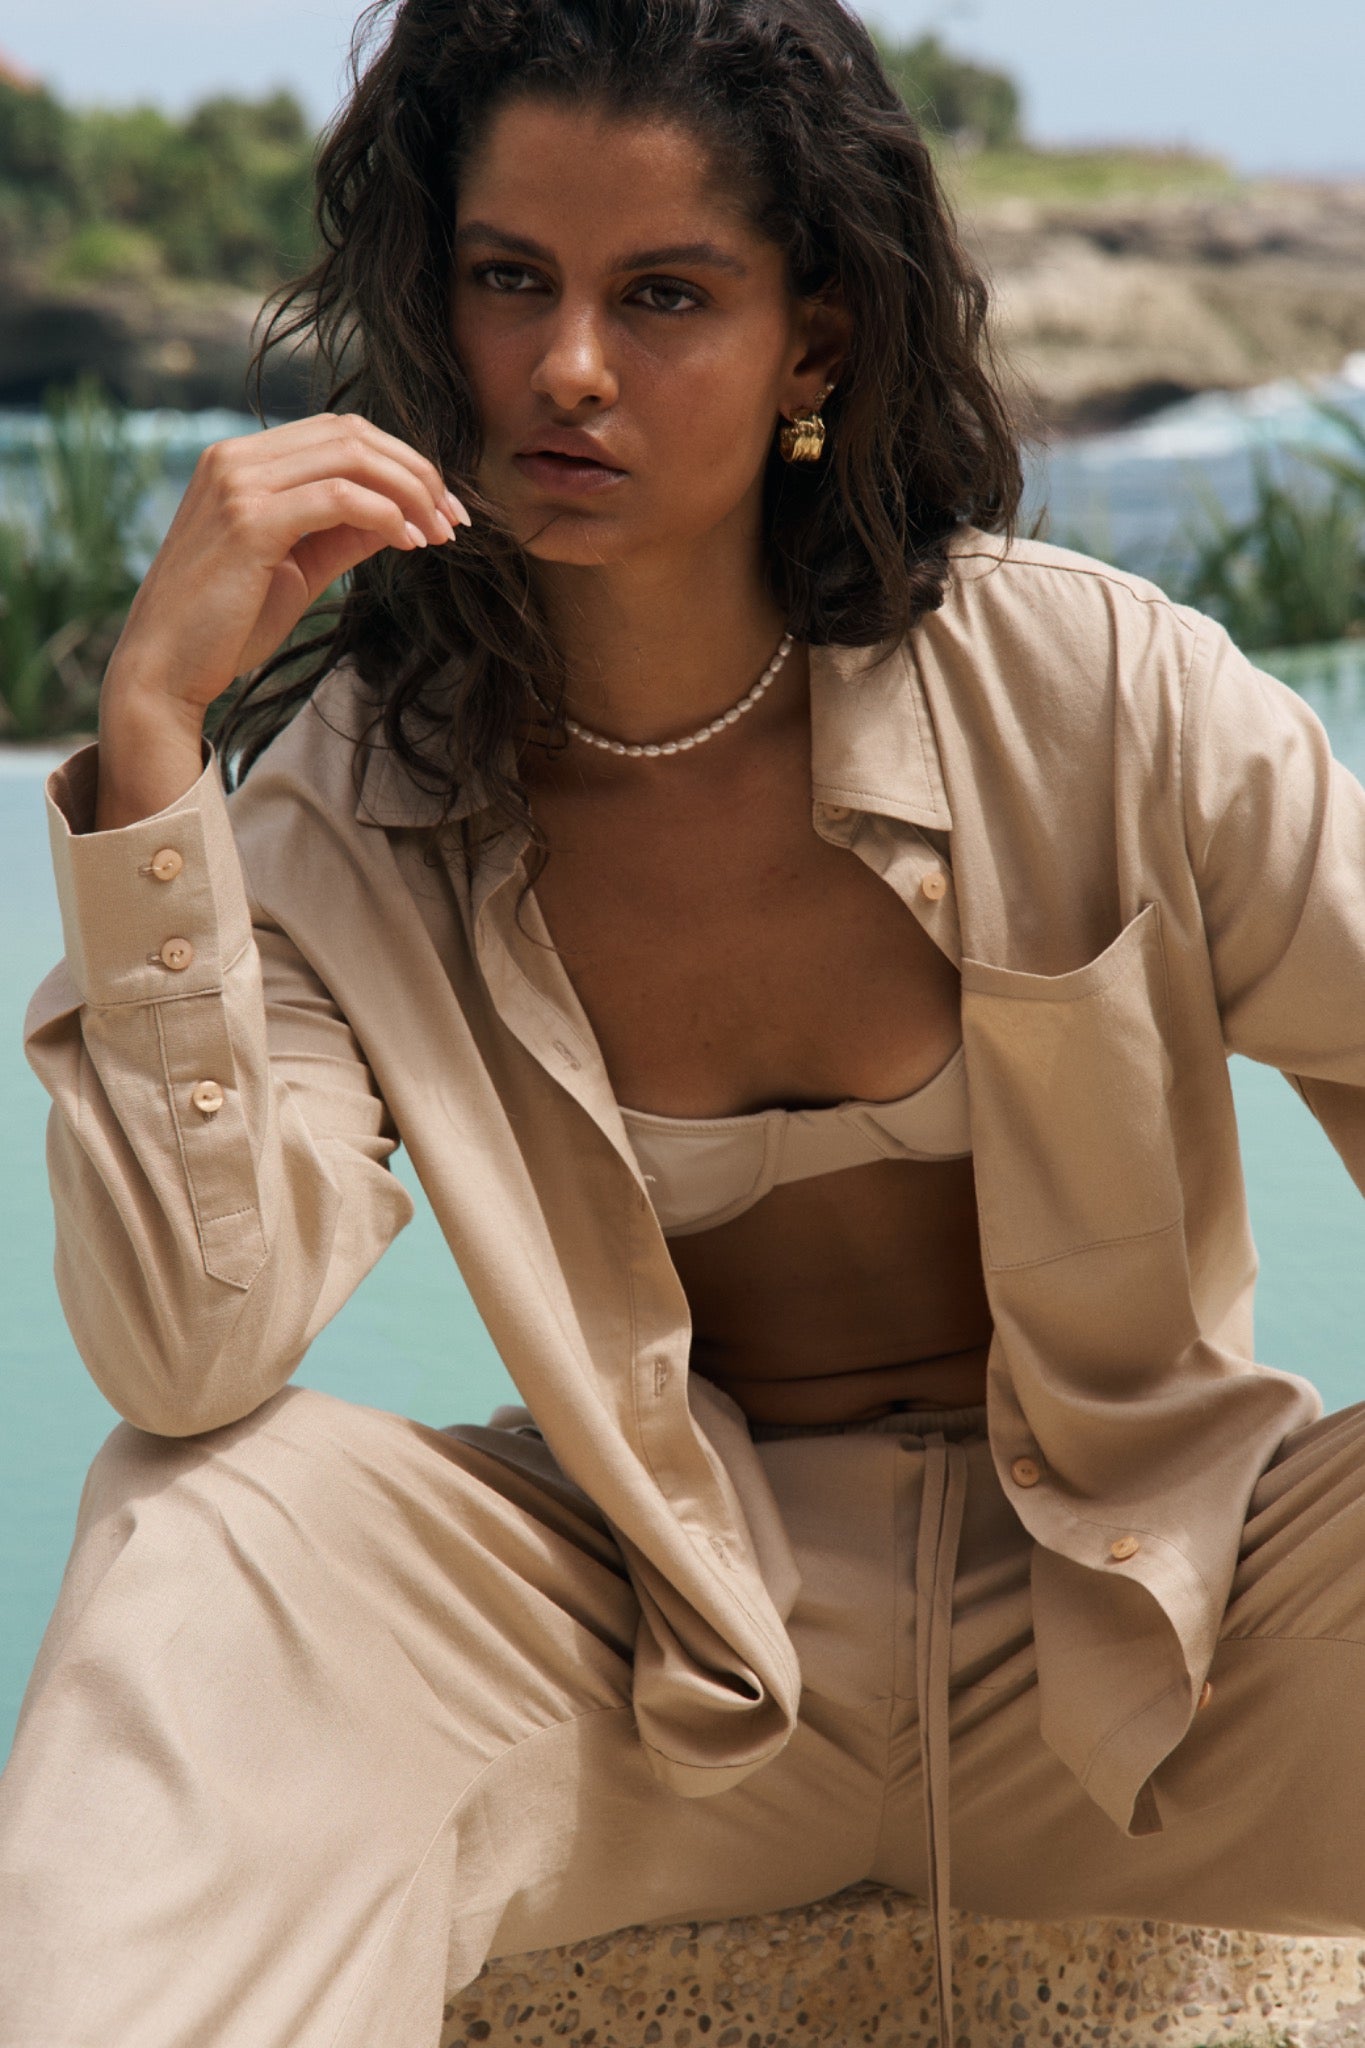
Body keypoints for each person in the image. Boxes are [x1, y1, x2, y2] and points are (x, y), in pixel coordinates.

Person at [5, 0, 1365, 2042]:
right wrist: (149, 755)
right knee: (209, 1516)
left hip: (1156, 1660)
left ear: (808, 343)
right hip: (659, 1675)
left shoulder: (1091, 692)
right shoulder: (346, 804)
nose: (564, 366)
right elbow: (188, 1343)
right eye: (506, 282)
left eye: (660, 294)